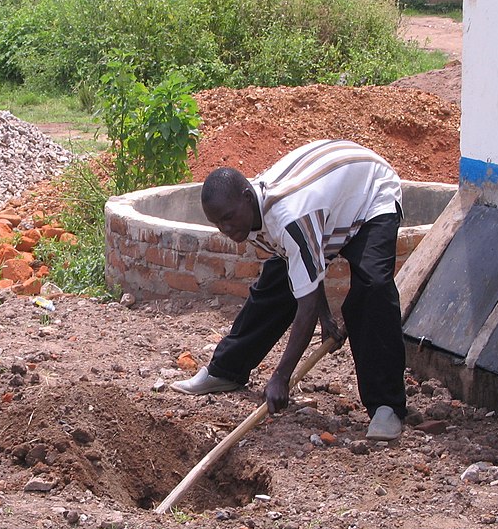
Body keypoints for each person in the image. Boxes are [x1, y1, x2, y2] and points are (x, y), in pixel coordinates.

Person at [170, 139, 406, 441]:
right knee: (275, 284)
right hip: (327, 203)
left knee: (372, 288)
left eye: (228, 218)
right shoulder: (250, 213)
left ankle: (387, 406)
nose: (225, 229)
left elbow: (304, 306)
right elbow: (305, 269)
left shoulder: (290, 217)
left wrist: (281, 377)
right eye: (217, 223)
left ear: (245, 197)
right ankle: (226, 370)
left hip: (369, 192)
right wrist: (326, 317)